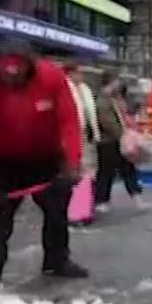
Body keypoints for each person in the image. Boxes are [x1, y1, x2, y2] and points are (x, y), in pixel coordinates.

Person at [0, 41, 87, 288]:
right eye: (6, 75)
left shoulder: (52, 78)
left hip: (46, 158)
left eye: (17, 75)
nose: (12, 81)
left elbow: (69, 123)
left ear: (29, 66)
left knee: (57, 214)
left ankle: (56, 261)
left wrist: (72, 165)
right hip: (7, 161)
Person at [94, 73, 148, 212]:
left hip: (120, 140)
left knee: (128, 168)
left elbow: (125, 115)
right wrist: (123, 134)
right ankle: (102, 200)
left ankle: (137, 198)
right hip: (107, 141)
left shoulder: (116, 99)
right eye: (116, 82)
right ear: (110, 83)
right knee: (106, 171)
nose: (118, 85)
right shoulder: (102, 100)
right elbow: (107, 122)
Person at [63, 63, 101, 227]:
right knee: (74, 173)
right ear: (70, 73)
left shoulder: (85, 90)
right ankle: (75, 212)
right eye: (77, 72)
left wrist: (94, 132)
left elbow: (90, 113)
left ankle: (85, 210)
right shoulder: (64, 89)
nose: (81, 76)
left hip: (87, 135)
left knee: (88, 174)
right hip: (71, 137)